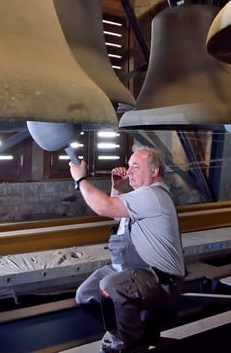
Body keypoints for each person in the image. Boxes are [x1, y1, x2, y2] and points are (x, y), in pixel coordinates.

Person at [70, 146, 185, 353]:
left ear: (154, 171)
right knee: (85, 295)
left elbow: (103, 207)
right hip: (132, 270)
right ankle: (131, 332)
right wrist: (118, 188)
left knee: (110, 286)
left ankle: (132, 345)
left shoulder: (153, 195)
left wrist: (81, 180)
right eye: (129, 165)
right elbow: (117, 215)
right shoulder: (141, 196)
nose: (128, 171)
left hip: (160, 280)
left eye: (135, 166)